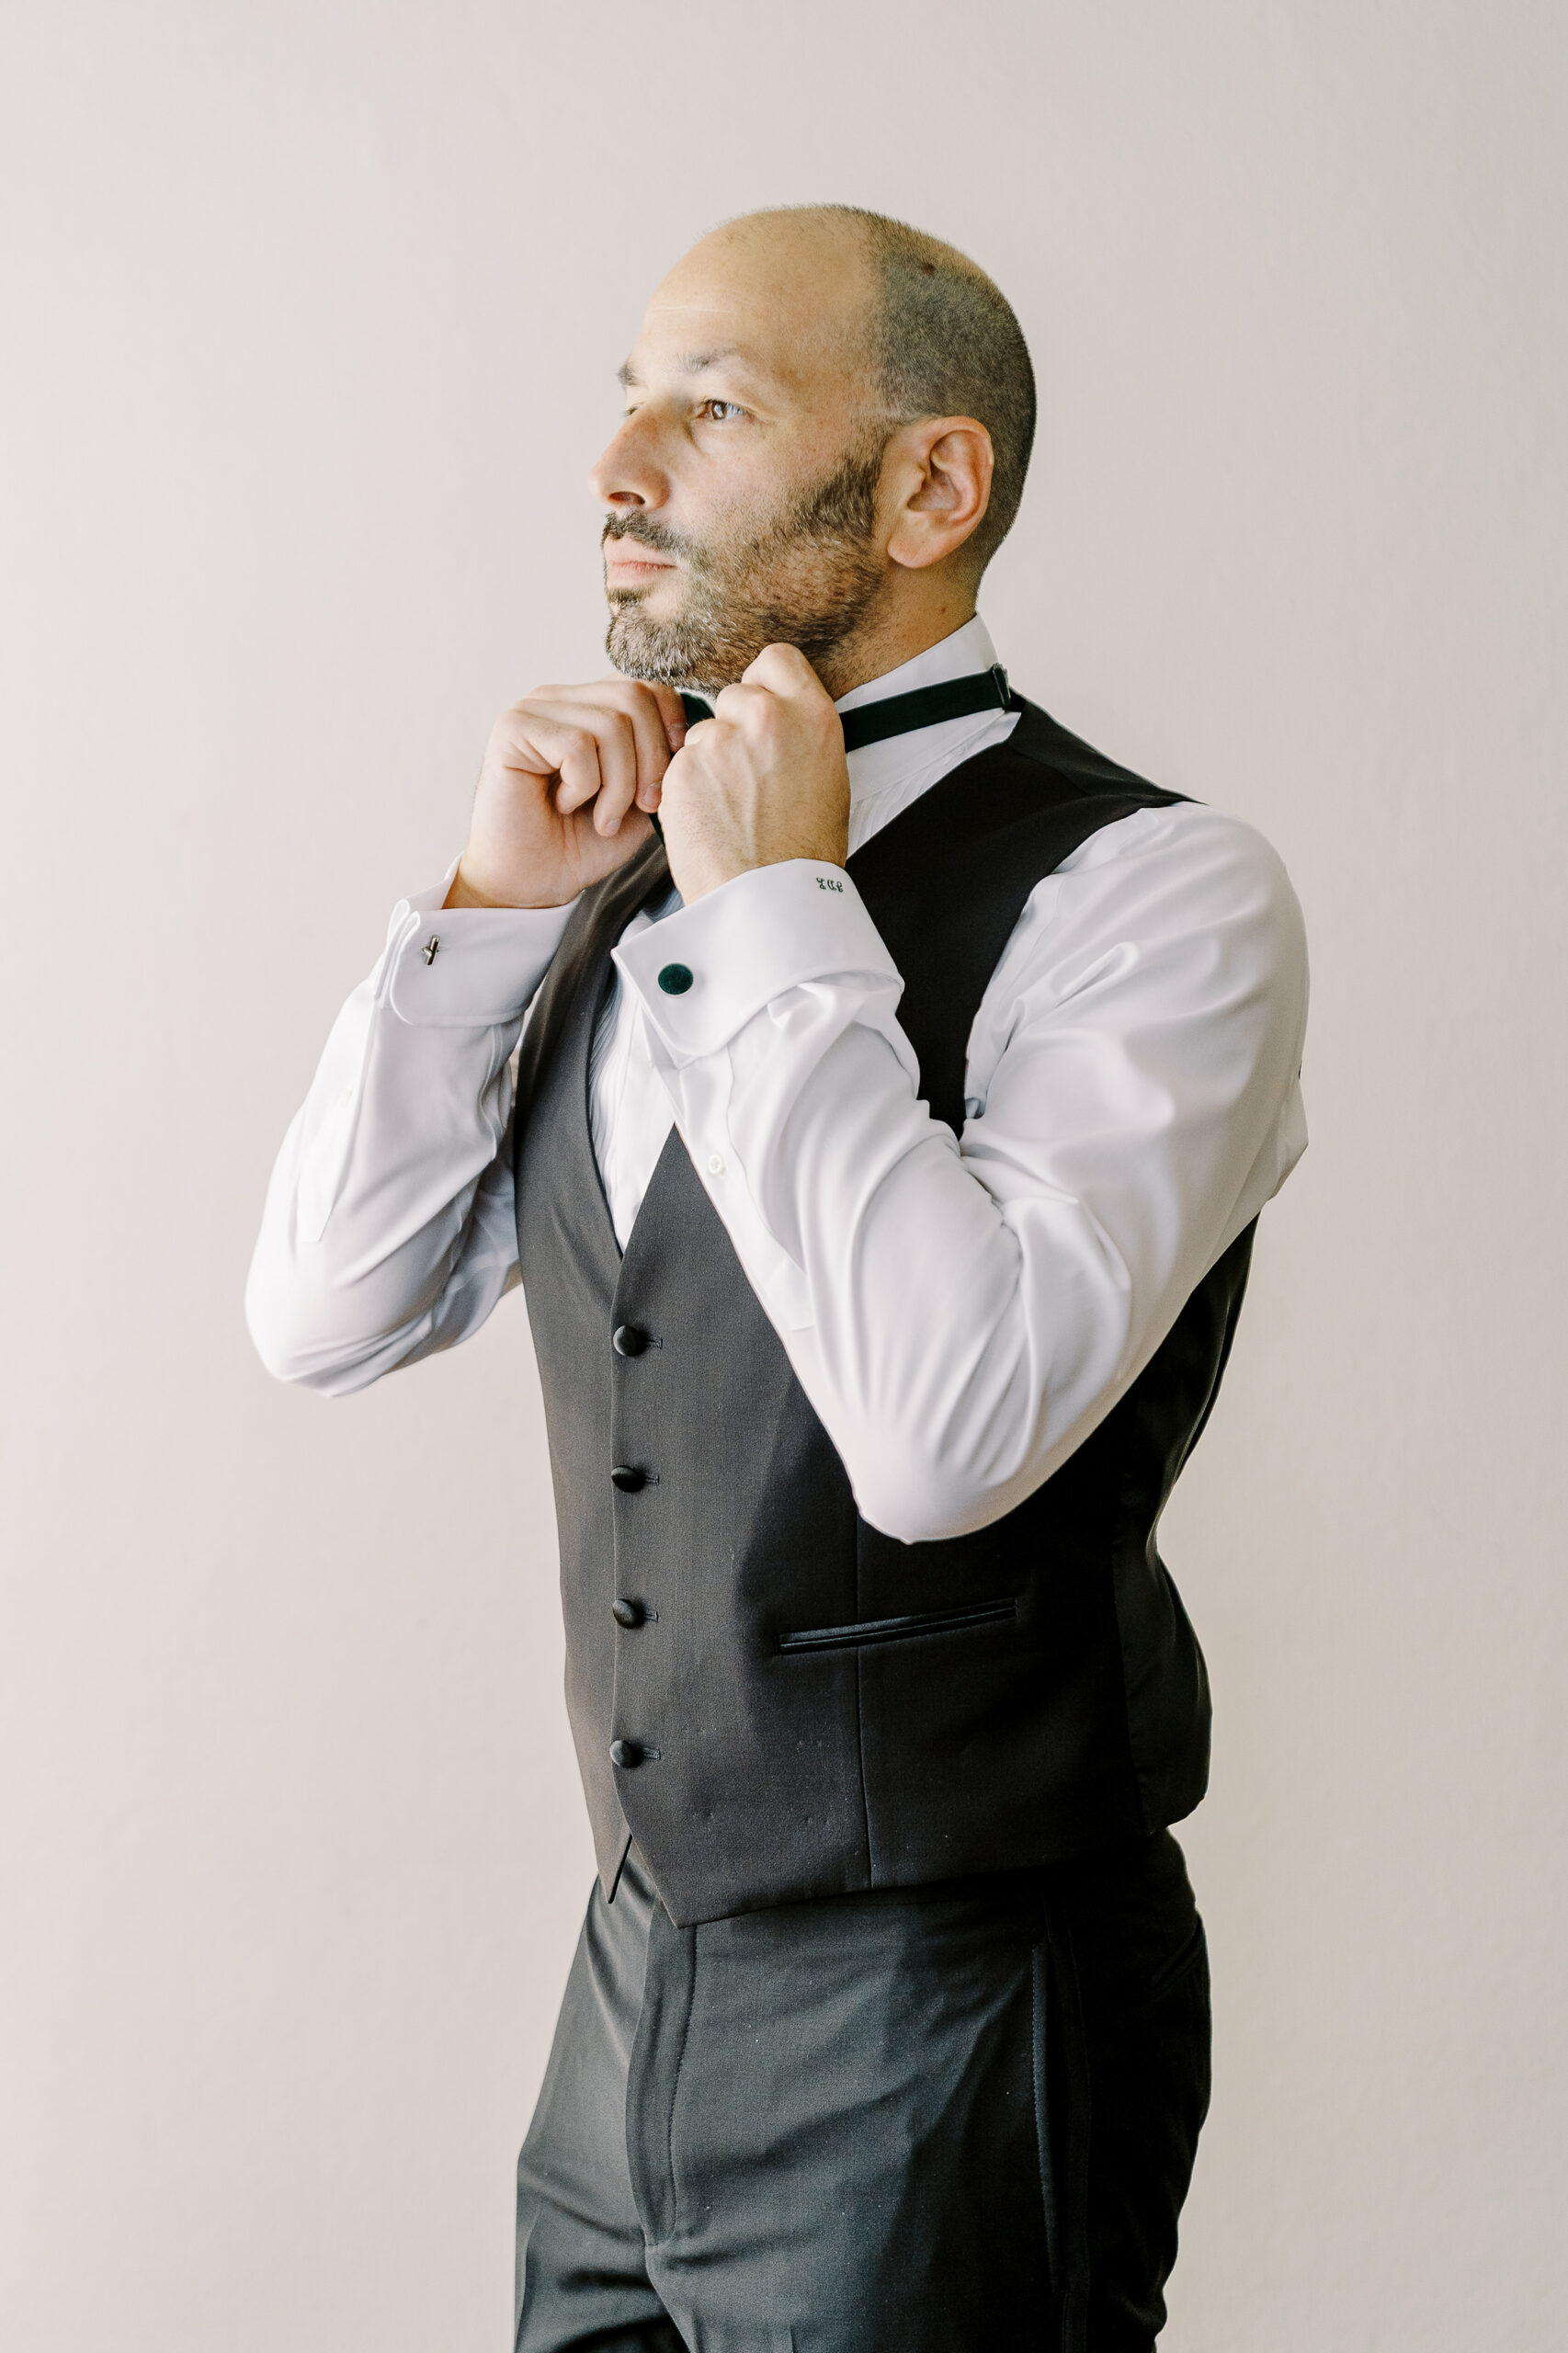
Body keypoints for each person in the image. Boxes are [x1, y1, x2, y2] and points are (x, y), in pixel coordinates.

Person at [247, 204, 1308, 2353]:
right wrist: (480, 910)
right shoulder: (617, 874)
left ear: (931, 486)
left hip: (955, 1990)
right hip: (631, 1974)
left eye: (709, 405)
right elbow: (323, 1313)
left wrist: (782, 906)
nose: (616, 463)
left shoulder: (1156, 890)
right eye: (623, 399)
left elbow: (943, 1435)